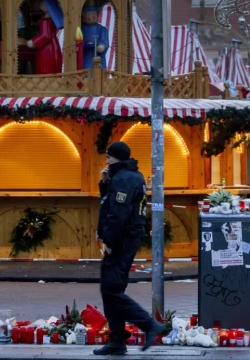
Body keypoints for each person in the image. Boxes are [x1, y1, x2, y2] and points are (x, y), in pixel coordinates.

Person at [94, 141, 162, 355]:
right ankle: (117, 340)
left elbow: (118, 214)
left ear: (114, 158)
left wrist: (111, 243)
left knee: (111, 289)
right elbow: (111, 203)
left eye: (107, 157)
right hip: (127, 238)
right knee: (111, 289)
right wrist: (105, 184)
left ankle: (148, 324)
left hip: (121, 240)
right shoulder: (130, 176)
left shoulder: (124, 179)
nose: (106, 160)